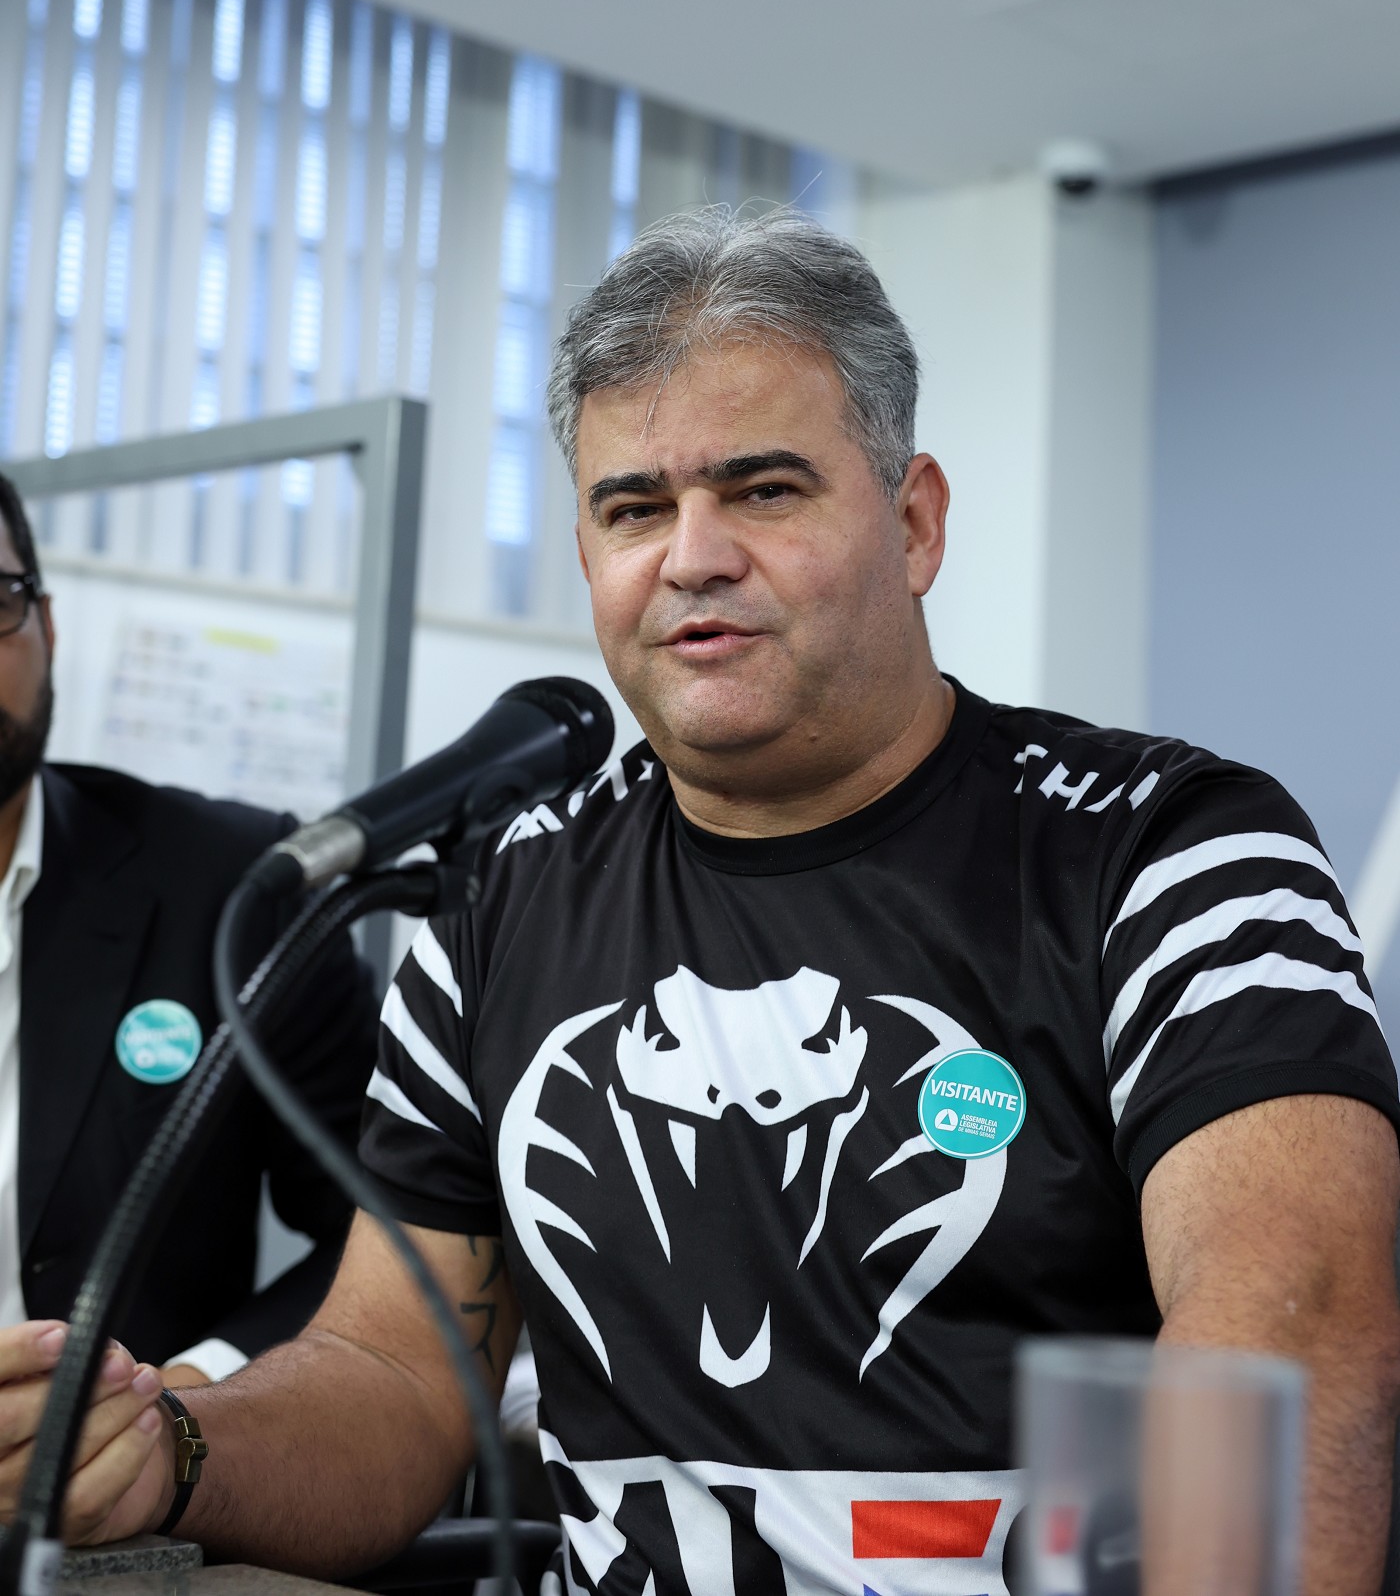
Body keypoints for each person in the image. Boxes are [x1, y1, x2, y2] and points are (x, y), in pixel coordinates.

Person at [5, 211, 1398, 1596]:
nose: (692, 557)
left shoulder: (1167, 855)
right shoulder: (499, 899)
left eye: (764, 491)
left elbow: (1285, 1341)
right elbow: (395, 1375)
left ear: (914, 523)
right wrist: (170, 1451)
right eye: (633, 510)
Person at [0, 474, 377, 1390]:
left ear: (47, 625)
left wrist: (187, 1395)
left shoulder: (238, 889)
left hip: (131, 1462)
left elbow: (388, 1226)